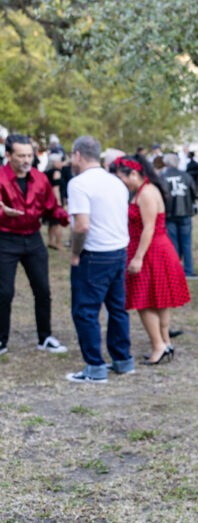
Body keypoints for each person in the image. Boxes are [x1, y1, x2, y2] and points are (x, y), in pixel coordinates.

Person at [66, 135, 133, 382]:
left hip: (94, 254)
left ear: (77, 155)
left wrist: (75, 253)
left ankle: (95, 367)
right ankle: (123, 359)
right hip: (118, 252)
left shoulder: (79, 184)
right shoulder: (116, 182)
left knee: (86, 311)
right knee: (117, 309)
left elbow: (82, 226)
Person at [111, 155, 190, 365]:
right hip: (155, 249)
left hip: (149, 251)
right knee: (159, 299)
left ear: (133, 174)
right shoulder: (146, 190)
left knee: (143, 301)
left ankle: (158, 346)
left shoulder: (145, 193)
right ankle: (164, 342)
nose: (120, 183)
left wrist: (137, 258)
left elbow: (149, 227)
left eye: (121, 178)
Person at [0, 134, 71, 357]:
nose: (26, 160)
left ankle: (45, 337)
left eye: (29, 155)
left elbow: (51, 206)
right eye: (21, 155)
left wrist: (67, 217)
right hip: (6, 238)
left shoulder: (40, 179)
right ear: (8, 155)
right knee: (4, 292)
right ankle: (1, 340)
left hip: (33, 239)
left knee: (43, 290)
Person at [160, 153, 198, 279]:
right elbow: (194, 193)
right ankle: (188, 270)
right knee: (186, 243)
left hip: (169, 213)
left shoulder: (162, 177)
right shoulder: (186, 176)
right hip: (185, 212)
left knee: (173, 242)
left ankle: (175, 270)